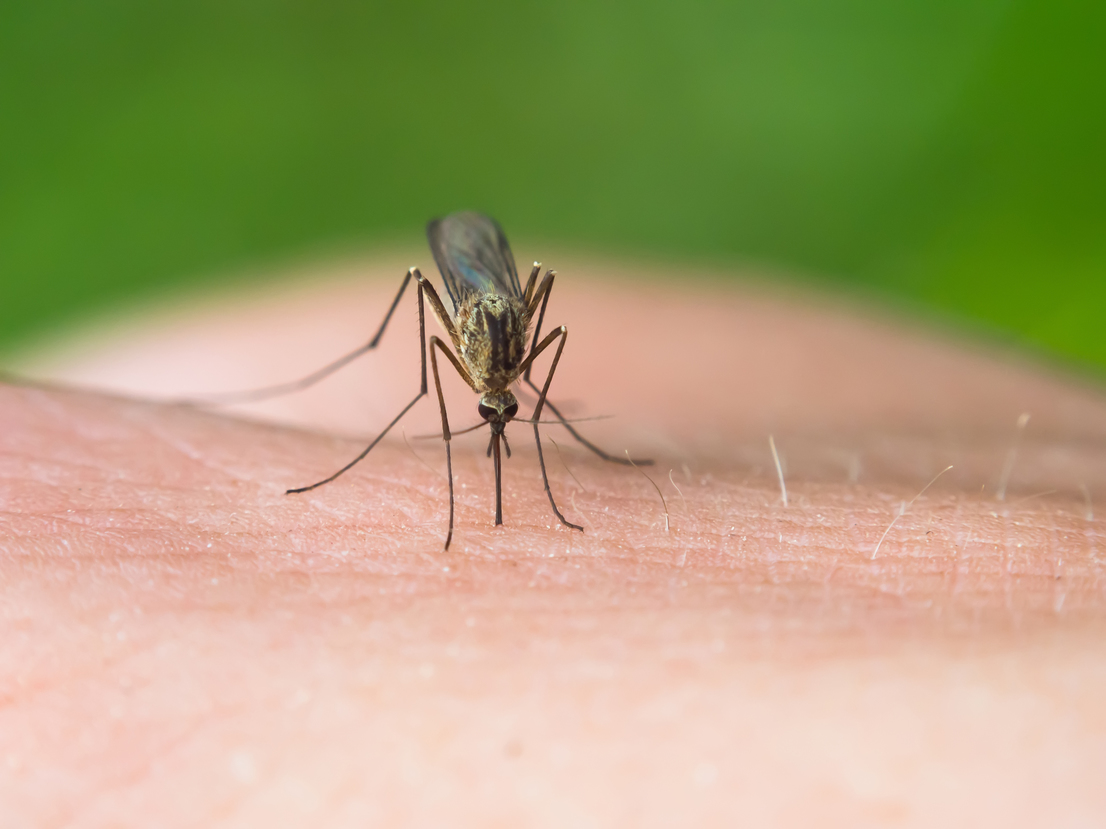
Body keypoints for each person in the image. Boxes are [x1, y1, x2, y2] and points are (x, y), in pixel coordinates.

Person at [4, 255, 1105, 824]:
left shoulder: (517, 363)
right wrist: (441, 465)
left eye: (508, 407)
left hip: (502, 328)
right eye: (505, 409)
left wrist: (549, 415)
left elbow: (531, 345)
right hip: (460, 320)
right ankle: (337, 398)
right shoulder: (464, 368)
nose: (499, 415)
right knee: (412, 323)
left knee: (537, 327)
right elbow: (465, 354)